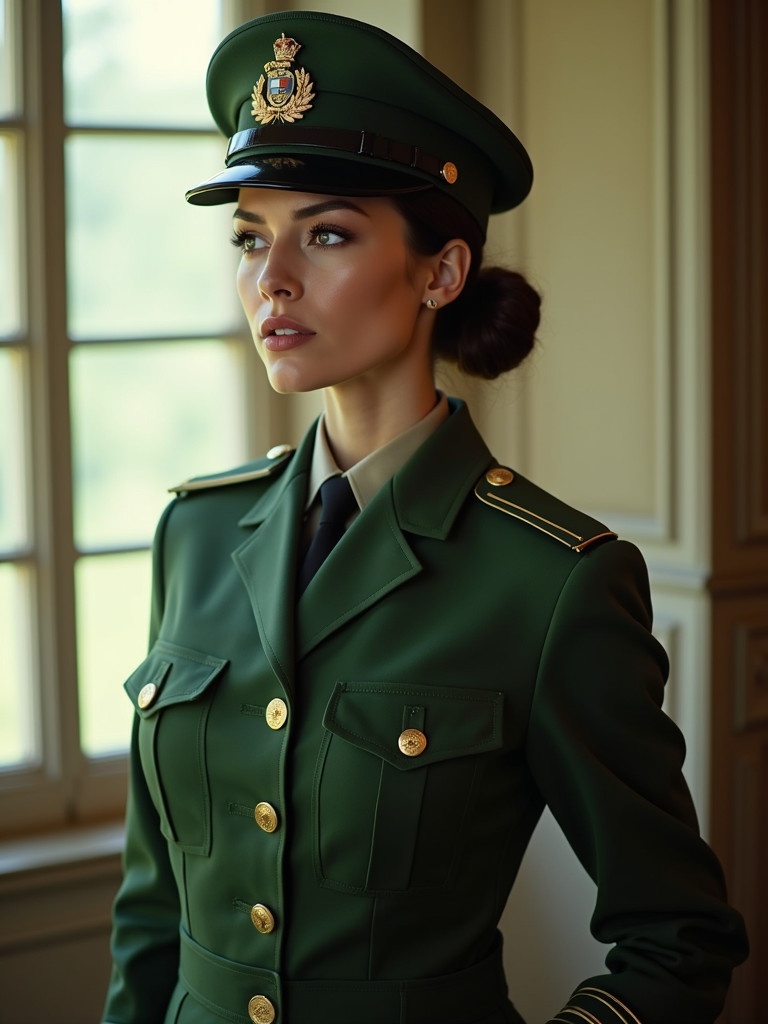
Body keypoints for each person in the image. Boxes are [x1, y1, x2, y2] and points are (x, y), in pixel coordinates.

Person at [102, 10, 748, 1024]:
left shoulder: (552, 579)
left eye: (324, 233)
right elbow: (150, 913)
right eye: (248, 236)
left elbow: (681, 939)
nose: (270, 279)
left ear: (441, 272)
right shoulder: (194, 533)